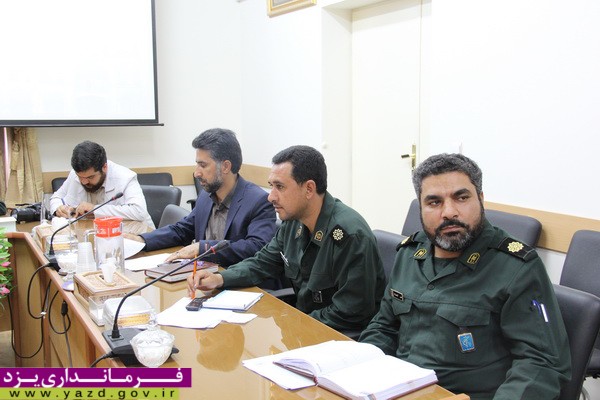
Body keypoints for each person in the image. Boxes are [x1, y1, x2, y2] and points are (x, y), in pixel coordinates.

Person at [359, 153, 571, 400]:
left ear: (480, 199)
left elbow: (541, 363)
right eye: (434, 202)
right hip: (400, 390)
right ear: (421, 208)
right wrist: (360, 370)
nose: (449, 212)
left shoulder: (517, 267)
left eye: (461, 197)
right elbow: (383, 326)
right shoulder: (409, 254)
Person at [188, 145, 386, 332]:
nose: (271, 197)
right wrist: (220, 278)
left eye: (280, 187)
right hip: (306, 327)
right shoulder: (293, 222)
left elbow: (350, 313)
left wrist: (293, 323)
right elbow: (262, 263)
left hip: (336, 336)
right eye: (271, 186)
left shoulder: (349, 235)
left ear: (309, 189)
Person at [126, 128, 277, 267]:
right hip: (203, 275)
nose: (196, 173)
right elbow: (182, 230)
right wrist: (142, 240)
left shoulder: (258, 201)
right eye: (197, 165)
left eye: (203, 165)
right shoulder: (206, 195)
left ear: (226, 166)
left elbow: (256, 248)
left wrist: (204, 248)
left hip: (238, 280)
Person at [49, 141, 154, 228]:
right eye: (80, 177)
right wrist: (59, 208)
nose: (84, 182)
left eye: (90, 177)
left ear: (104, 167)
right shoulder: (75, 174)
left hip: (135, 235)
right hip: (94, 233)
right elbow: (56, 197)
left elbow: (139, 212)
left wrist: (95, 209)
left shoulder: (125, 177)